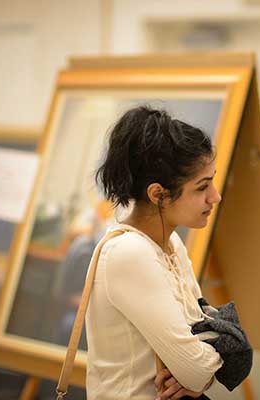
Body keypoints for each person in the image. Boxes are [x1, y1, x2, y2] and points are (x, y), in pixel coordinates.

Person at [86, 106, 225, 400]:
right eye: (202, 187)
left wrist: (202, 368)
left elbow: (206, 335)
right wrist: (215, 359)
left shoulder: (172, 245)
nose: (215, 196)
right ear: (158, 194)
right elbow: (198, 368)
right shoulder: (129, 252)